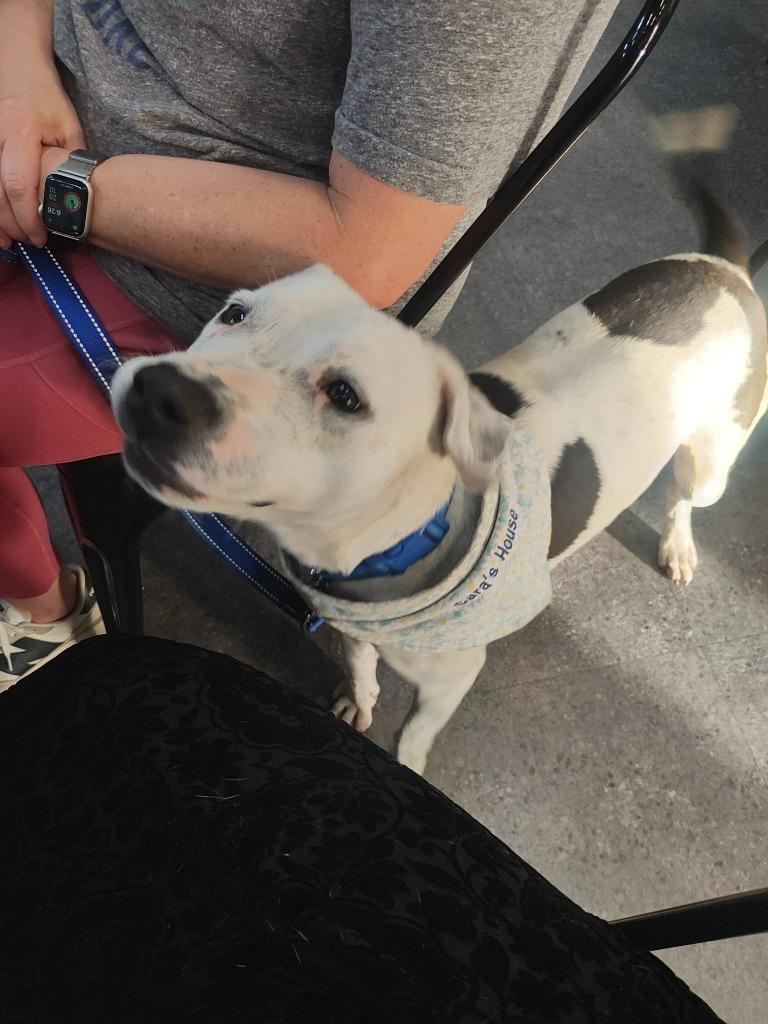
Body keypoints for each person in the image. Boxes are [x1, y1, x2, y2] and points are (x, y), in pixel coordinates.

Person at [0, 0, 618, 687]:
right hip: (45, 110)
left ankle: (46, 616)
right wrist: (17, 72)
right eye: (238, 320)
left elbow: (369, 245)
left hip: (192, 246)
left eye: (345, 394)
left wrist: (45, 185)